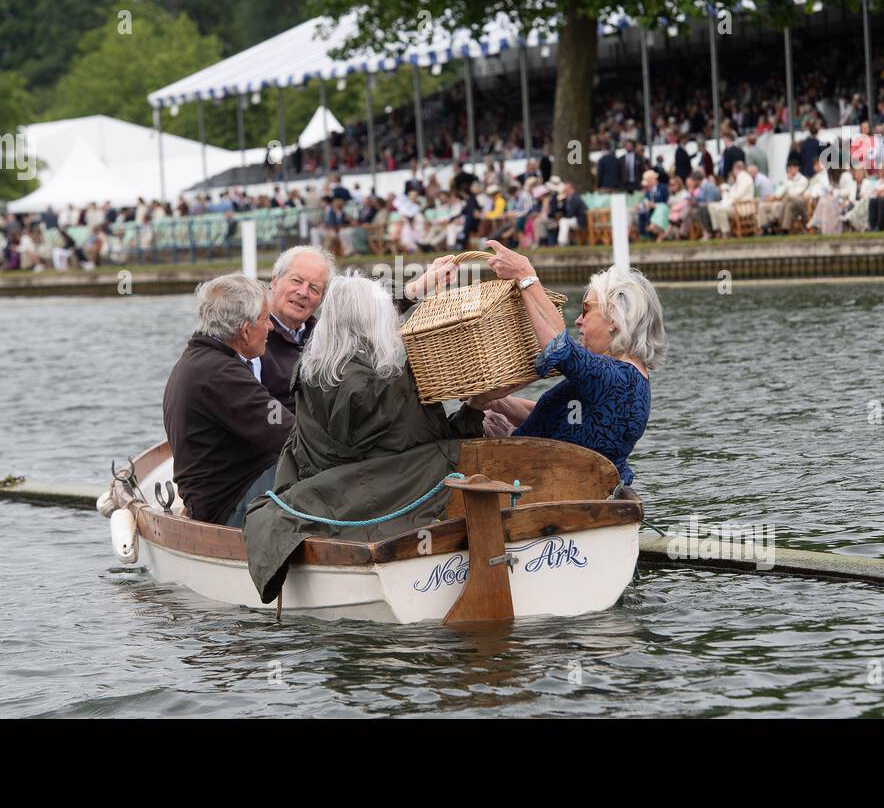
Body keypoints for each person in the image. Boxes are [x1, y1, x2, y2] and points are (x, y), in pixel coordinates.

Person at [242, 272, 486, 604]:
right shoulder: (390, 385)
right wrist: (476, 408)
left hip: (322, 492)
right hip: (376, 500)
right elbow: (431, 447)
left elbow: (354, 317)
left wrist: (413, 290)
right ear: (377, 323)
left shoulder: (309, 373)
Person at [473, 241, 663, 488]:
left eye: (586, 310)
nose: (578, 320)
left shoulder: (617, 377)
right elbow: (557, 419)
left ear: (614, 318)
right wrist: (498, 402)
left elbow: (559, 348)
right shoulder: (625, 378)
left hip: (541, 490)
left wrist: (525, 275)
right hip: (560, 481)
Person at [162, 274, 295, 528]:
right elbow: (291, 433)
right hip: (229, 508)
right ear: (245, 330)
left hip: (217, 499)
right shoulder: (221, 375)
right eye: (266, 319)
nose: (271, 328)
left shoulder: (200, 361)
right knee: (321, 466)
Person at [259, 245, 335, 413]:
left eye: (314, 288)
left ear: (322, 300)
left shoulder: (326, 339)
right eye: (296, 281)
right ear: (275, 281)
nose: (303, 292)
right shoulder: (250, 336)